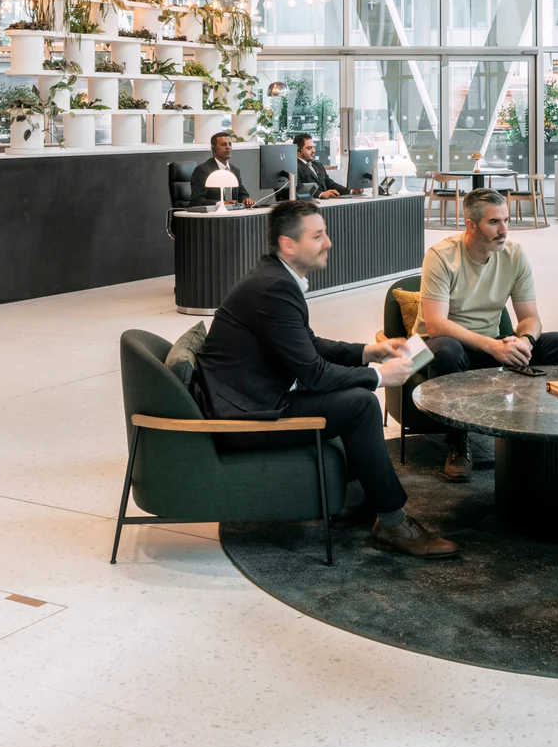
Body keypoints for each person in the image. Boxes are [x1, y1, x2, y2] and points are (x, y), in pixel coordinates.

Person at [196, 201, 459, 558]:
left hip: (255, 397)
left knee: (356, 395)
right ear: (288, 244)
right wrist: (379, 376)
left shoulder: (273, 278)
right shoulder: (273, 288)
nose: (328, 242)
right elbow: (313, 372)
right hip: (247, 416)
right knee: (361, 403)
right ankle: (393, 525)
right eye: (318, 235)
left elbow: (310, 344)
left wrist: (368, 352)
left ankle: (365, 502)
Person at [418, 187, 558, 481]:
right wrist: (493, 346)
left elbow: (530, 317)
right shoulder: (441, 256)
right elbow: (435, 324)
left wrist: (525, 340)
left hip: (491, 345)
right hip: (447, 345)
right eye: (494, 222)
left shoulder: (514, 256)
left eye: (505, 219)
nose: (505, 229)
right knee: (447, 350)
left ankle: (542, 429)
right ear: (470, 225)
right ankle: (457, 443)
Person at [188, 132, 253, 208]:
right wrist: (221, 204)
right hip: (213, 215)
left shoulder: (234, 170)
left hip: (233, 214)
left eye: (230, 144)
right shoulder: (202, 170)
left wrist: (246, 199)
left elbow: (242, 193)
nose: (228, 147)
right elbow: (197, 200)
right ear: (213, 148)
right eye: (224, 144)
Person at [293, 133, 347, 199]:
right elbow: (297, 187)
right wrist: (321, 194)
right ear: (298, 150)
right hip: (309, 204)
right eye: (309, 148)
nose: (314, 150)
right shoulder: (293, 166)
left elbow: (330, 183)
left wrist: (351, 191)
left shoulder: (318, 165)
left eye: (313, 147)